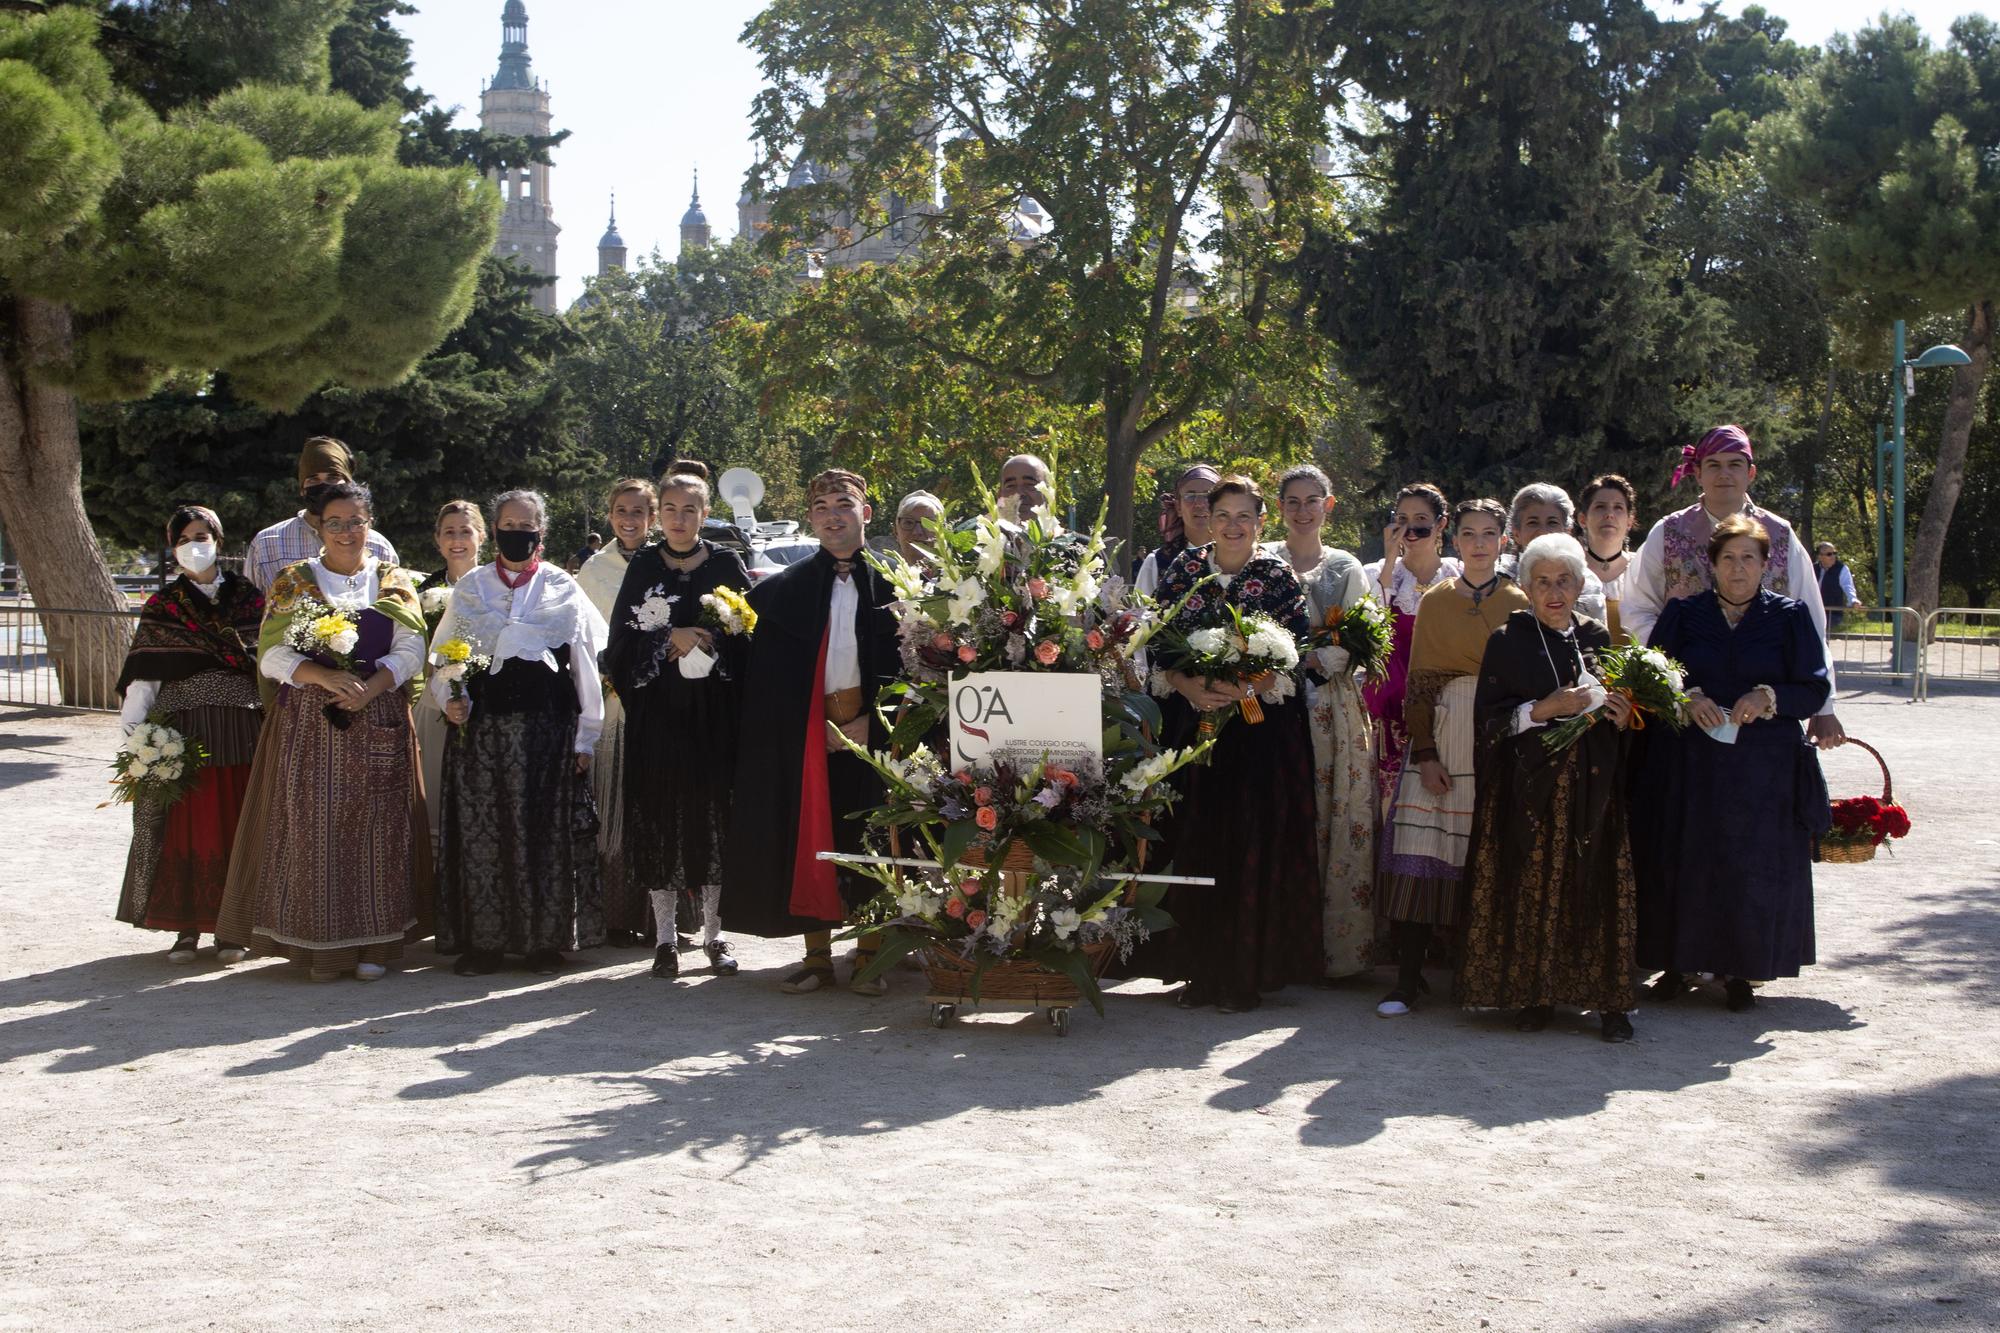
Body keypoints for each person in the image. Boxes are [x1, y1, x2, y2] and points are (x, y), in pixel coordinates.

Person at [217, 482, 431, 981]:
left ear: (370, 523)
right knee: (313, 831)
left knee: (378, 830)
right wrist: (324, 676)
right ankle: (318, 949)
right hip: (309, 726)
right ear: (318, 525)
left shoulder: (393, 580)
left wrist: (371, 687)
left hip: (376, 718)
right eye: (335, 522)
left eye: (356, 521)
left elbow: (412, 650)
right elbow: (271, 654)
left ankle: (375, 945)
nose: (347, 532)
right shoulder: (294, 580)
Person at [1634, 514, 1831, 1011]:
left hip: (1762, 771)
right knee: (1685, 859)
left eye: (1749, 558)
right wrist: (1687, 697)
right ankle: (1675, 966)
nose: (1738, 568)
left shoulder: (1789, 617)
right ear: (1712, 563)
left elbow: (1813, 687)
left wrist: (1767, 697)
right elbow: (1654, 675)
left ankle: (1741, 969)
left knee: (1750, 866)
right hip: (1690, 764)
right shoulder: (1684, 613)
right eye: (1728, 558)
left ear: (1766, 564)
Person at [723, 469, 901, 995]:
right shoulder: (783, 589)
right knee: (811, 837)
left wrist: (878, 721)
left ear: (865, 513)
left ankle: (871, 955)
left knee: (874, 840)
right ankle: (817, 956)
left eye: (843, 503)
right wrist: (806, 725)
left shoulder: (900, 587)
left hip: (874, 732)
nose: (832, 515)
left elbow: (917, 669)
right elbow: (768, 676)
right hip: (810, 735)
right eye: (820, 506)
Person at [1459, 533, 1639, 1042]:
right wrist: (1543, 710)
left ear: (1581, 584)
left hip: (1594, 790)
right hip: (1530, 790)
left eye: (1564, 581)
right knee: (1534, 885)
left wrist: (1624, 718)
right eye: (1544, 583)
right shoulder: (1507, 641)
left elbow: (1619, 720)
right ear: (1527, 589)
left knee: (1598, 885)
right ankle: (1532, 995)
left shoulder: (1598, 638)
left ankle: (1607, 1001)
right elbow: (1488, 722)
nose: (1555, 592)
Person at [1152, 475, 1322, 1012]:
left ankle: (1246, 974)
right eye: (1221, 514)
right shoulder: (1184, 569)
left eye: (1243, 515)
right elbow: (1157, 641)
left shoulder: (1276, 575)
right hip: (1195, 724)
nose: (1231, 525)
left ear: (1260, 521)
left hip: (1258, 734)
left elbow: (1296, 650)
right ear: (1205, 515)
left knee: (1250, 844)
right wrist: (1188, 686)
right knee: (1197, 838)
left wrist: (1248, 686)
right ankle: (1198, 972)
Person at [430, 490, 607, 976]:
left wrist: (585, 737)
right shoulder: (471, 588)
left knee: (543, 835)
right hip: (481, 735)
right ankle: (483, 944)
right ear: (496, 529)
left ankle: (541, 943)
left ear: (541, 532)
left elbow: (584, 667)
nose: (517, 532)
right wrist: (450, 701)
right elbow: (446, 658)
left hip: (547, 732)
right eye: (508, 523)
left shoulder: (562, 587)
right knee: (482, 838)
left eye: (526, 525)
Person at [1376, 498, 1528, 1018]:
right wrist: (1426, 753)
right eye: (1470, 533)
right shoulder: (1435, 600)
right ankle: (1408, 979)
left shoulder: (1520, 601)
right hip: (1440, 738)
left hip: (1495, 741)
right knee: (1419, 850)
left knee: (1484, 858)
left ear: (1504, 540)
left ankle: (1480, 978)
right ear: (1453, 539)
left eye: (1490, 533)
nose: (1480, 542)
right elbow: (1418, 683)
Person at [603, 462, 753, 980]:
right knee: (660, 820)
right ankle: (665, 940)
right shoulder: (643, 567)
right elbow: (617, 647)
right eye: (670, 510)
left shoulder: (727, 565)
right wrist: (669, 638)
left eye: (690, 510)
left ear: (705, 514)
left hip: (713, 719)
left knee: (714, 821)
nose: (679, 519)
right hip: (659, 719)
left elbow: (753, 637)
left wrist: (717, 641)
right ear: (658, 515)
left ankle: (715, 934)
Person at [1621, 424, 1845, 749]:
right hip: (1690, 706)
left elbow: (1811, 622)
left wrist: (1824, 706)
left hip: (1763, 713)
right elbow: (1637, 608)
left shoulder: (1780, 535)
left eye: (1734, 464)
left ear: (1751, 472)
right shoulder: (1668, 532)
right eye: (1713, 464)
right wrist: (1673, 669)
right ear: (1697, 472)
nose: (1724, 474)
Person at [113, 505, 265, 962]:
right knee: (188, 828)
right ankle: (185, 927)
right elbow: (144, 680)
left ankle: (232, 929)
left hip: (243, 731)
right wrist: (138, 741)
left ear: (219, 540)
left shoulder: (250, 598)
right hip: (185, 737)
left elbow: (269, 664)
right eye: (184, 539)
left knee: (237, 824)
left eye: (202, 535)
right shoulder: (164, 607)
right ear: (172, 547)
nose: (194, 546)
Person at [1266, 464, 1378, 981]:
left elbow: (1359, 640)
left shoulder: (1346, 567)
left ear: (1328, 506)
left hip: (1331, 707)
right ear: (1280, 507)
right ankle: (1280, 945)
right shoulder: (1264, 562)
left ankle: (1337, 953)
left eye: (1313, 501)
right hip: (1270, 700)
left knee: (1334, 815)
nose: (1303, 510)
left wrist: (1328, 658)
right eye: (1293, 501)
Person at [577, 478, 660, 947]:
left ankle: (662, 919)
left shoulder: (666, 560)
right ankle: (615, 916)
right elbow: (582, 639)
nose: (628, 519)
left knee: (656, 804)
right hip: (611, 705)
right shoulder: (594, 568)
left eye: (638, 512)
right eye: (620, 510)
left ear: (651, 517)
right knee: (613, 809)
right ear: (610, 515)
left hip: (658, 704)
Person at [1361, 483, 1460, 809]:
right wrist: (1390, 559)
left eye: (1420, 521)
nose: (1410, 531)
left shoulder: (1457, 576)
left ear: (1441, 524)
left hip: (1442, 709)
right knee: (1388, 805)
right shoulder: (1376, 573)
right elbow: (1369, 627)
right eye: (1401, 520)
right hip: (1386, 708)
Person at [415, 500, 486, 847]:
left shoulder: (499, 588)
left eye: (465, 531)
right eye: (449, 532)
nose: (457, 539)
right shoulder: (421, 594)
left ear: (482, 536)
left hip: (487, 708)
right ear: (438, 539)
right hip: (434, 706)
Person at [245, 436, 398, 594]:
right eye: (313, 480)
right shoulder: (267, 544)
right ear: (302, 489)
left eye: (333, 478)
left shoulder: (379, 547)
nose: (324, 487)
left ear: (348, 485)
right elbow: (252, 609)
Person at [1503, 483, 1606, 623]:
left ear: (1567, 531)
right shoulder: (1501, 581)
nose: (1543, 531)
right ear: (1516, 533)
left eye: (1552, 523)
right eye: (1533, 523)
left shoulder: (1585, 584)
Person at [1135, 463, 1220, 596]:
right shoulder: (1157, 562)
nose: (1199, 504)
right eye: (1190, 496)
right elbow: (1138, 614)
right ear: (1178, 507)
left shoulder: (1240, 559)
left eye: (1208, 496)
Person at [1578, 475, 1639, 641]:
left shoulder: (1642, 570)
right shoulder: (1570, 570)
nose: (1609, 514)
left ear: (1629, 521)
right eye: (1600, 507)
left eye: (1618, 508)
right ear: (1582, 519)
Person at [1816, 542, 1864, 634]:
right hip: (1813, 610)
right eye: (1829, 554)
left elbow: (1848, 586)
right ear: (1820, 556)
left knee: (1821, 634)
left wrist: (1853, 600)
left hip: (1832, 613)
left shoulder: (1842, 569)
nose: (1833, 556)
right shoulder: (1812, 568)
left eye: (1834, 553)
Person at [891, 489, 945, 567]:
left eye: (927, 524)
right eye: (909, 522)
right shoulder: (879, 577)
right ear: (896, 532)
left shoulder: (960, 577)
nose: (917, 532)